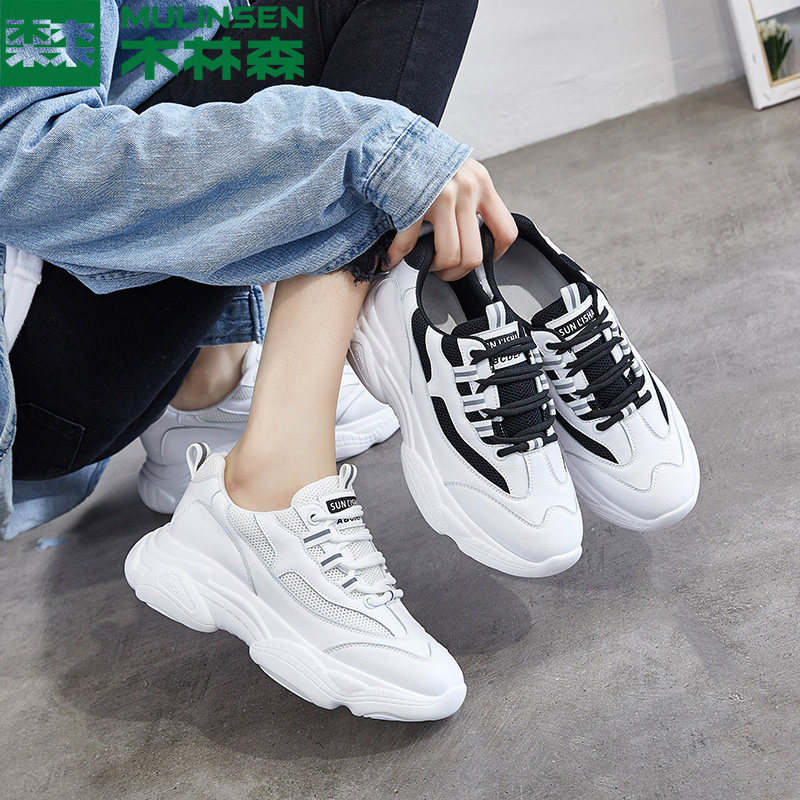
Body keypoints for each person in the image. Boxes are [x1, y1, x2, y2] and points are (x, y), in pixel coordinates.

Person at [0, 1, 517, 719]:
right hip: (36, 380)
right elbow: (25, 161)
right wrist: (371, 149)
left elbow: (164, 66)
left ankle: (213, 392)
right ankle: (271, 487)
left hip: (83, 332)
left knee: (242, 27)